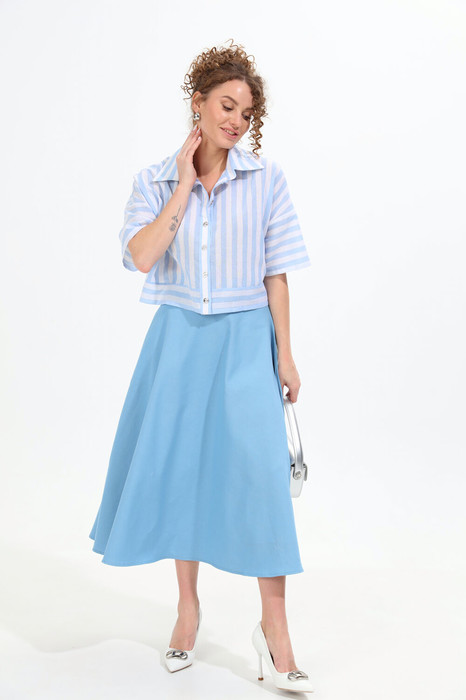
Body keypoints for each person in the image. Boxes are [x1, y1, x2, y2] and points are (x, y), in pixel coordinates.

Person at [88, 39, 313, 692]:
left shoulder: (266, 180)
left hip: (245, 340)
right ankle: (187, 612)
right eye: (226, 106)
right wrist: (184, 187)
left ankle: (275, 630)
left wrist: (286, 352)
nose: (236, 120)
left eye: (246, 112)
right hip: (179, 341)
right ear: (199, 103)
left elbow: (276, 274)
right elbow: (140, 257)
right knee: (183, 472)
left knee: (262, 480)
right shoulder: (155, 181)